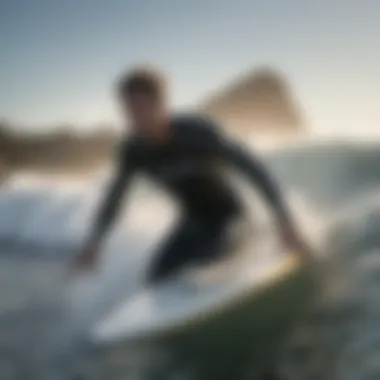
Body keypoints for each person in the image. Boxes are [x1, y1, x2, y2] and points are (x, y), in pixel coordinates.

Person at [74, 65, 309, 283]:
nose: (134, 118)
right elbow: (115, 197)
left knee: (208, 257)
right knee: (156, 275)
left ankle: (259, 234)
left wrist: (286, 223)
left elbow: (253, 169)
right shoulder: (134, 151)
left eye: (140, 108)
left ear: (161, 104)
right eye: (128, 110)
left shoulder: (197, 133)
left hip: (230, 217)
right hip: (193, 223)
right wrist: (95, 242)